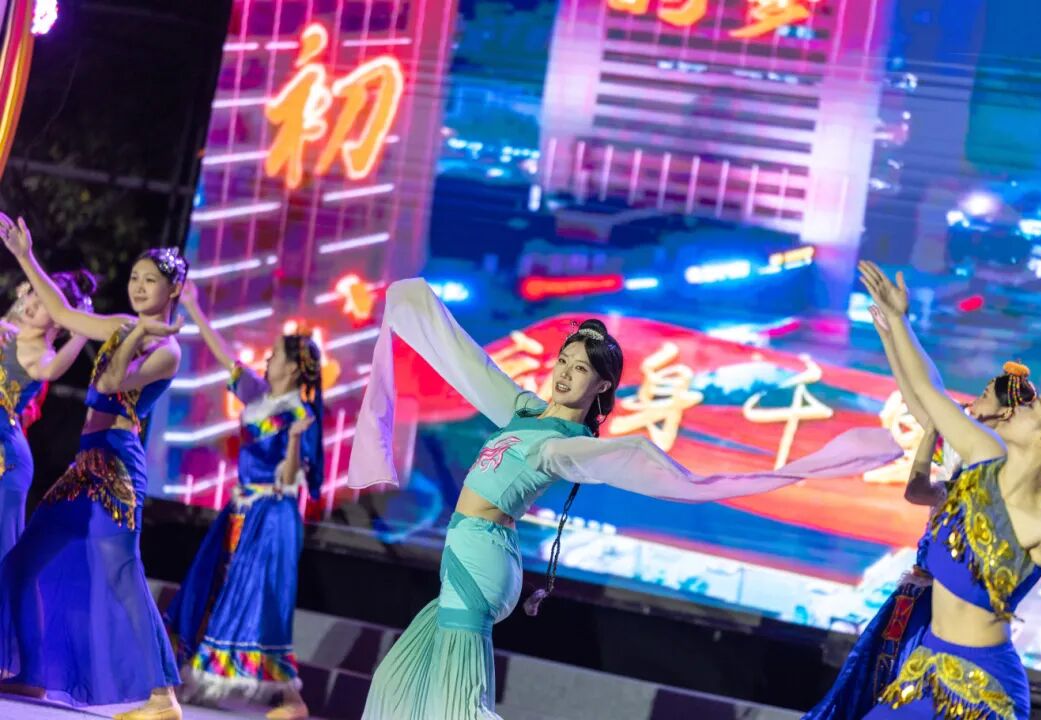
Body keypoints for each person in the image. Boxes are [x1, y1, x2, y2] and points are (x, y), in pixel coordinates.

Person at [348, 278, 904, 719]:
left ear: (602, 387)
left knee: (455, 702)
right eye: (564, 362)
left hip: (481, 565)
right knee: (402, 682)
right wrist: (412, 304)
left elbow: (628, 458)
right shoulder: (521, 410)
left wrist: (708, 472)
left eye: (581, 370)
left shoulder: (564, 445)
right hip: (467, 556)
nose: (566, 374)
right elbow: (471, 364)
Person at [853, 261, 1041, 720]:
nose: (1019, 404)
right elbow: (927, 392)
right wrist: (897, 321)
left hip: (983, 694)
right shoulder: (982, 454)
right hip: (923, 667)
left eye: (1034, 406)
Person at [0, 214, 188, 720]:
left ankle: (163, 697)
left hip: (117, 470)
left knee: (123, 574)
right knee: (22, 561)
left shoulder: (167, 350)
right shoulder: (123, 325)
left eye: (150, 280)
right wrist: (24, 255)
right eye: (135, 278)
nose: (139, 286)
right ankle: (32, 673)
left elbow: (110, 382)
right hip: (85, 463)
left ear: (173, 290)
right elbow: (62, 311)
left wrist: (137, 332)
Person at [803, 352, 1038, 719]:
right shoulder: (963, 457)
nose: (975, 399)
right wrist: (929, 431)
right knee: (879, 686)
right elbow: (917, 489)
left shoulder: (1001, 475)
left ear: (1006, 412)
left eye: (985, 394)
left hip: (946, 608)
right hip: (918, 595)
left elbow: (928, 396)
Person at [165, 282, 323, 720]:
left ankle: (291, 700)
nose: (267, 360)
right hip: (241, 509)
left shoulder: (299, 415)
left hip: (273, 515)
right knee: (213, 584)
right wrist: (194, 308)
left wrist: (295, 441)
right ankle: (193, 677)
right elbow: (225, 358)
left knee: (257, 599)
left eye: (275, 356)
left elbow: (289, 480)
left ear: (294, 368)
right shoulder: (259, 396)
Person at [0, 275, 95, 560]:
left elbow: (51, 370)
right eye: (34, 295)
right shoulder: (7, 330)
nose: (32, 304)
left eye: (44, 304)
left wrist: (82, 331)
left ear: (60, 319)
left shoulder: (40, 354)